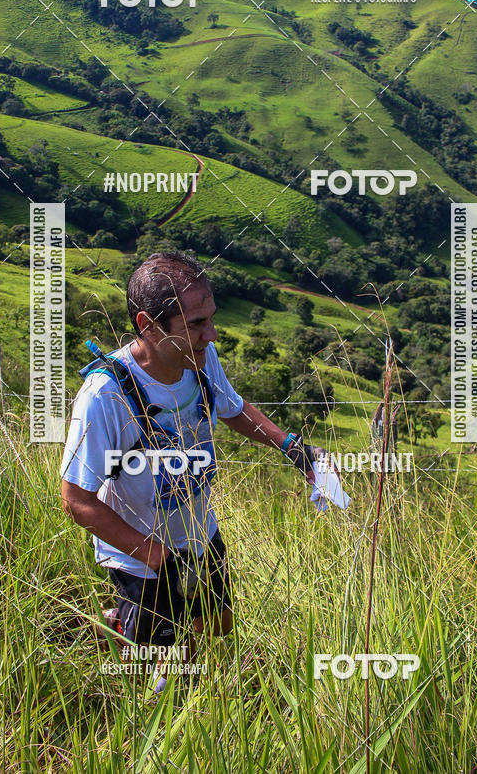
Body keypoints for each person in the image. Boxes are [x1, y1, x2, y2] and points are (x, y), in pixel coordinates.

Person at [60, 251, 325, 693]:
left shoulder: (198, 360)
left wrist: (291, 447)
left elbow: (232, 409)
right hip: (142, 555)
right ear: (148, 325)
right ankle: (128, 642)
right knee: (172, 672)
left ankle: (125, 622)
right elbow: (77, 500)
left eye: (211, 319)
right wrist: (160, 558)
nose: (212, 334)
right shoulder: (104, 396)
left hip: (199, 533)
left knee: (218, 624)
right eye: (196, 323)